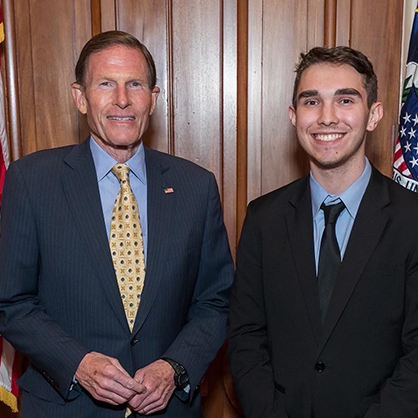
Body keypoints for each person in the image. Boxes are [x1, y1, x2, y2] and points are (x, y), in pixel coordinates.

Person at [0, 30, 233, 418]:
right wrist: (78, 363)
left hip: (167, 409)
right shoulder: (32, 180)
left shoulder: (197, 186)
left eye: (135, 84)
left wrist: (173, 368)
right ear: (80, 97)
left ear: (153, 99)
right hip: (65, 407)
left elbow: (216, 301)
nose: (122, 99)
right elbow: (11, 301)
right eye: (106, 84)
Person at [228, 46, 418, 418]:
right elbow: (245, 338)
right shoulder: (264, 218)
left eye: (345, 100)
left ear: (373, 115)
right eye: (311, 102)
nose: (327, 117)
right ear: (294, 116)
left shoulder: (411, 221)